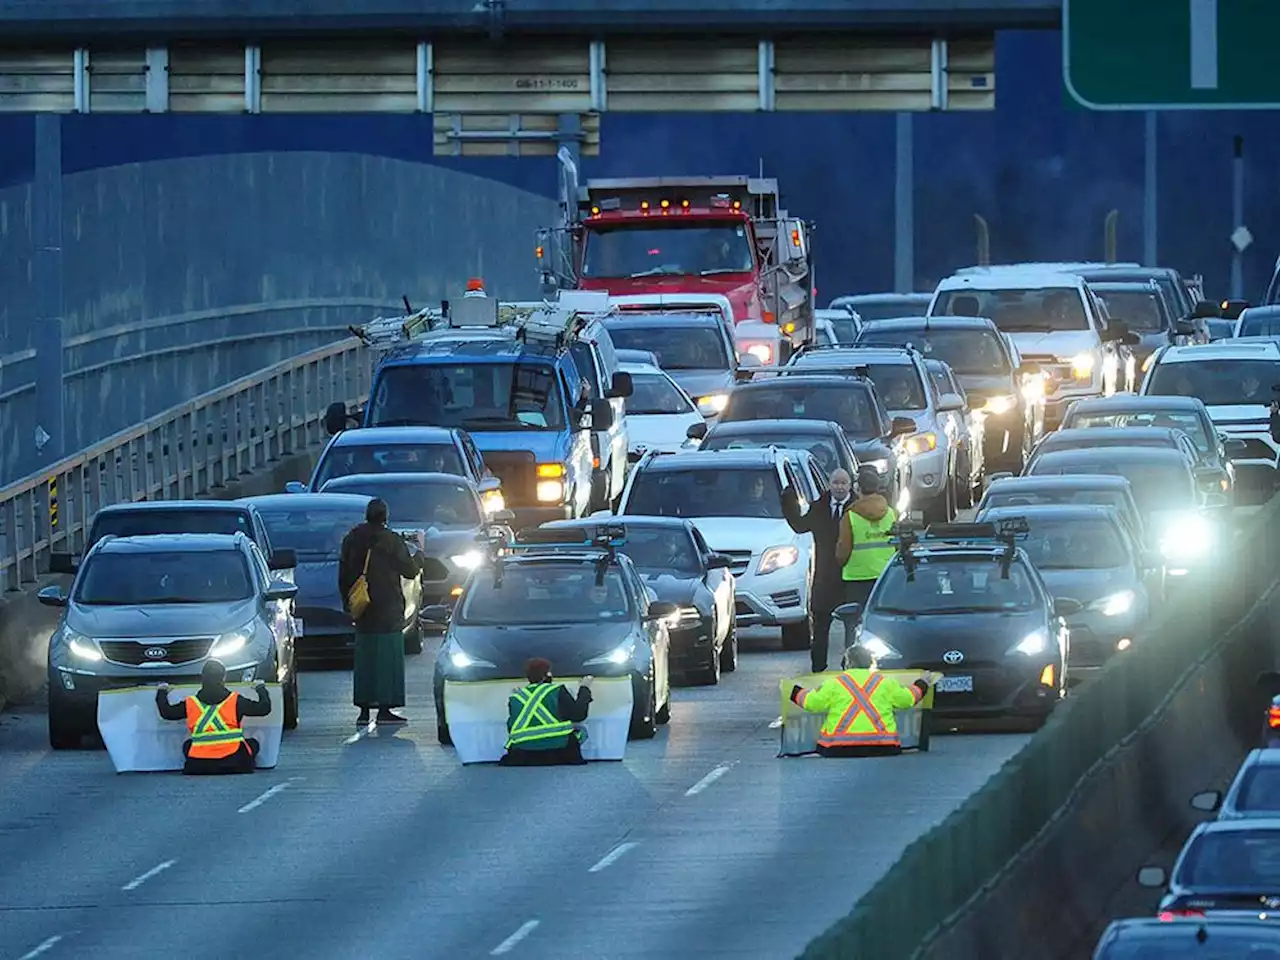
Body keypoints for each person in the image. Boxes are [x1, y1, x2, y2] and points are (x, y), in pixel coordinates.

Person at [339, 497, 424, 726]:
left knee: (365, 660)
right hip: (388, 609)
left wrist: (348, 604)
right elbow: (410, 570)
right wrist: (420, 552)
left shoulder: (352, 539)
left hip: (363, 610)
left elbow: (343, 574)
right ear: (385, 517)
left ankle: (364, 709)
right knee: (388, 660)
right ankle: (385, 707)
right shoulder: (391, 540)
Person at [788, 644, 931, 756]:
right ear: (870, 662)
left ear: (847, 662)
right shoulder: (885, 683)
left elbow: (812, 703)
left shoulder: (835, 684)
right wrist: (923, 683)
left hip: (837, 749)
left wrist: (793, 690)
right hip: (884, 747)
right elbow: (908, 699)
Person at [782, 468, 854, 672]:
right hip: (824, 578)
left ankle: (849, 670)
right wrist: (789, 501)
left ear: (850, 485)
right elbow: (800, 525)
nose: (839, 487)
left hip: (850, 577)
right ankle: (818, 670)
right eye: (836, 482)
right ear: (829, 485)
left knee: (852, 627)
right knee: (821, 628)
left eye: (843, 483)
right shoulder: (819, 507)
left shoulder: (857, 509)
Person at [155, 660, 272, 775]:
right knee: (253, 744)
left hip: (198, 765)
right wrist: (260, 688)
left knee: (188, 745)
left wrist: (162, 692)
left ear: (202, 678)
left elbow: (167, 713)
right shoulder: (235, 700)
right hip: (235, 762)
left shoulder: (190, 703)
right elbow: (264, 708)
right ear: (223, 678)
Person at [500, 658, 595, 766]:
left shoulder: (516, 697)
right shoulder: (557, 690)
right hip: (560, 751)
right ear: (548, 675)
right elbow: (578, 715)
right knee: (580, 730)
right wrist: (585, 688)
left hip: (521, 755)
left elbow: (511, 727)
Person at [835, 465, 898, 609]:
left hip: (856, 578)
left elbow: (842, 549)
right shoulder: (891, 513)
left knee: (855, 621)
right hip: (885, 575)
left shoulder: (850, 516)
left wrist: (840, 563)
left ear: (857, 488)